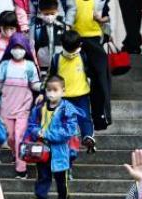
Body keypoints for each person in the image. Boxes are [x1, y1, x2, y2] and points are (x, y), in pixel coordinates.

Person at [25, 75, 80, 199]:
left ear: (63, 91)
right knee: (43, 177)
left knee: (62, 180)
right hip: (42, 150)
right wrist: (37, 132)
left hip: (60, 151)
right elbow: (31, 125)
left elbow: (69, 130)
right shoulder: (39, 108)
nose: (51, 93)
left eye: (55, 90)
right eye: (49, 90)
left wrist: (47, 134)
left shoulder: (68, 109)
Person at [0, 32, 41, 178]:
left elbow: (34, 85)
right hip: (6, 107)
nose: (18, 50)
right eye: (15, 47)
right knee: (10, 137)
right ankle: (15, 153)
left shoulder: (30, 66)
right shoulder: (4, 65)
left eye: (21, 47)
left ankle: (21, 168)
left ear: (26, 49)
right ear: (10, 48)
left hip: (23, 108)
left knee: (20, 136)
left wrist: (44, 87)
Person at [65, 0, 113, 131]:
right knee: (74, 79)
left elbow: (107, 16)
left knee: (100, 80)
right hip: (74, 42)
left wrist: (103, 20)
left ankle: (100, 118)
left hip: (95, 40)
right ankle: (71, 119)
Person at [49, 30, 96, 152]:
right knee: (64, 121)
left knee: (85, 118)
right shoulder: (56, 58)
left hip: (82, 95)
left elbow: (92, 72)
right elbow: (51, 77)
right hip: (63, 98)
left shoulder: (83, 56)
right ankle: (67, 143)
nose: (71, 53)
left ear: (79, 45)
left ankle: (87, 137)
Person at [31, 0, 66, 72]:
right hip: (43, 61)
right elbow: (33, 44)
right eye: (46, 14)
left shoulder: (62, 25)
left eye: (52, 14)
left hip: (59, 60)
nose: (49, 16)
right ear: (40, 13)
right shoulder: (37, 26)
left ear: (57, 11)